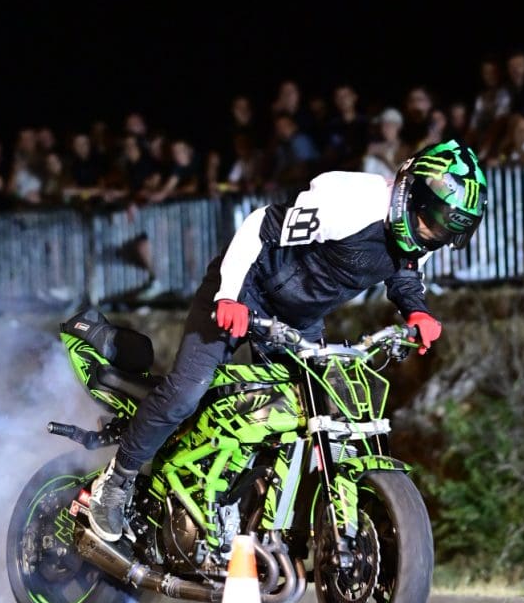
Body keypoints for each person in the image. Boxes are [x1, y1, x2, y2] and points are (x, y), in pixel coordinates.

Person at [87, 138, 488, 542]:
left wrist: (417, 310)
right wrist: (229, 296)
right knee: (187, 391)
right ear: (410, 193)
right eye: (432, 220)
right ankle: (117, 481)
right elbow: (260, 226)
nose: (433, 234)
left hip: (298, 318)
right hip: (243, 289)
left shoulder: (419, 236)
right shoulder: (352, 206)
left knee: (307, 417)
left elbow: (405, 272)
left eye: (445, 230)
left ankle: (247, 516)